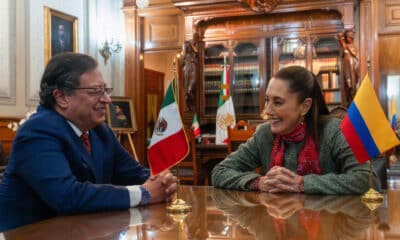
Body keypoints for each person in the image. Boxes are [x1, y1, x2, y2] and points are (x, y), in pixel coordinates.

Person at [0, 53, 177, 231]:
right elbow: (68, 197)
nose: (107, 100)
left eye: (106, 90)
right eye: (95, 92)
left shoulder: (100, 130)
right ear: (62, 97)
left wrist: (161, 181)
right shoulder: (37, 132)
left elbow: (133, 173)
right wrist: (144, 194)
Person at [212, 65, 380, 194]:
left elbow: (368, 180)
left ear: (305, 106)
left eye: (277, 102)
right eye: (267, 100)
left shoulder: (334, 131)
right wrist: (259, 182)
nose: (267, 111)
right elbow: (219, 172)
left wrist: (302, 184)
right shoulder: (264, 134)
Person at [338, 30, 360, 107]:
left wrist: (348, 48)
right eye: (346, 37)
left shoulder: (352, 46)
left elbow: (354, 53)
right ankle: (349, 101)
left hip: (352, 69)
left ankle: (352, 102)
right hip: (346, 69)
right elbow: (342, 42)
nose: (347, 39)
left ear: (351, 38)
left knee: (352, 86)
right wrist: (340, 37)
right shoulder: (345, 46)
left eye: (348, 37)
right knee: (348, 84)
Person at [181, 33, 199, 112]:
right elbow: (182, 61)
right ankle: (190, 107)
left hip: (193, 70)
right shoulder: (186, 57)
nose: (188, 48)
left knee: (190, 89)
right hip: (187, 71)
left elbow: (197, 51)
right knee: (186, 93)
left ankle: (193, 107)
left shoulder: (194, 54)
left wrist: (191, 44)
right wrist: (184, 46)